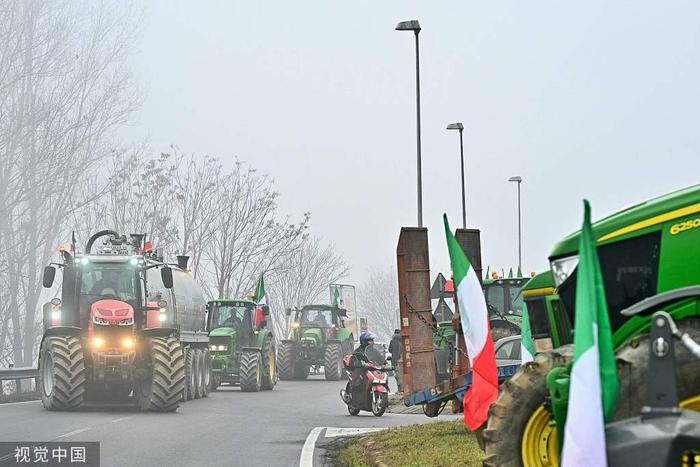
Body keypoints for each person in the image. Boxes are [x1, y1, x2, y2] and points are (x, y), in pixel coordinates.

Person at [348, 331, 376, 403]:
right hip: (361, 369)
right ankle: (354, 399)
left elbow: (379, 357)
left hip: (371, 369)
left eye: (372, 340)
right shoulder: (358, 351)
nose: (372, 342)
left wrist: (385, 363)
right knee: (358, 381)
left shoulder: (373, 350)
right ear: (365, 342)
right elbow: (354, 359)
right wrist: (362, 363)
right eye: (370, 341)